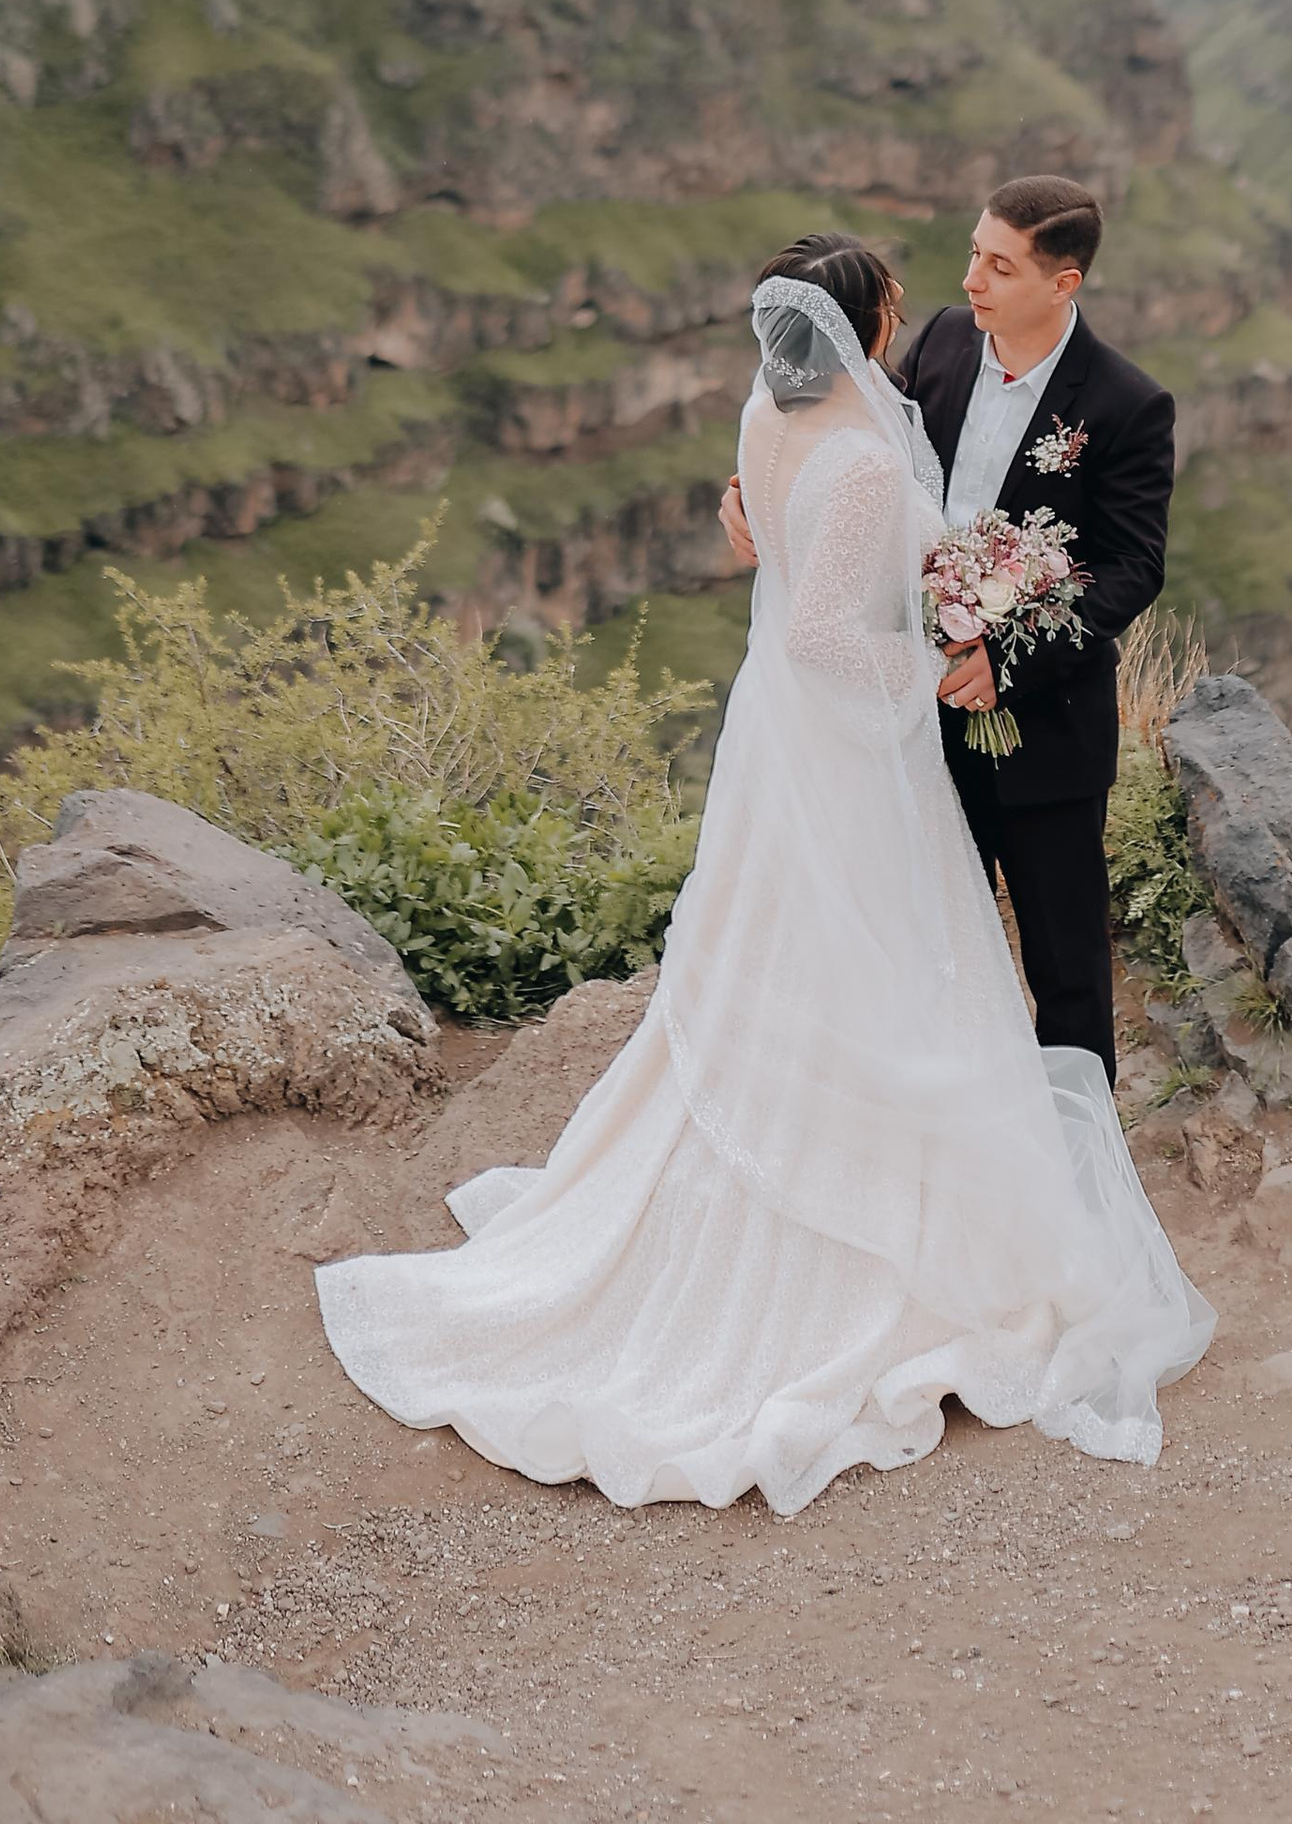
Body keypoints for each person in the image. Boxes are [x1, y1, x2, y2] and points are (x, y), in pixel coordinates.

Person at [313, 232, 1211, 1516]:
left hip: (794, 742)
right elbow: (820, 626)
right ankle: (858, 1233)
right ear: (867, 320)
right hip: (853, 742)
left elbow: (796, 543)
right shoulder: (854, 453)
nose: (939, 297)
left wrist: (959, 609)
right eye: (909, 291)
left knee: (807, 955)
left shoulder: (775, 406)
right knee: (873, 958)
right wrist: (928, 668)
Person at [895, 177, 1174, 1081]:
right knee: (928, 948)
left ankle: (1079, 1173)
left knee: (1066, 974)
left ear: (1065, 283)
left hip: (1046, 738)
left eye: (999, 265)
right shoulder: (940, 340)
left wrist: (1005, 660)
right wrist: (753, 492)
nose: (971, 278)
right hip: (912, 716)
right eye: (975, 251)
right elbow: (861, 457)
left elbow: (1132, 566)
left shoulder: (1128, 404)